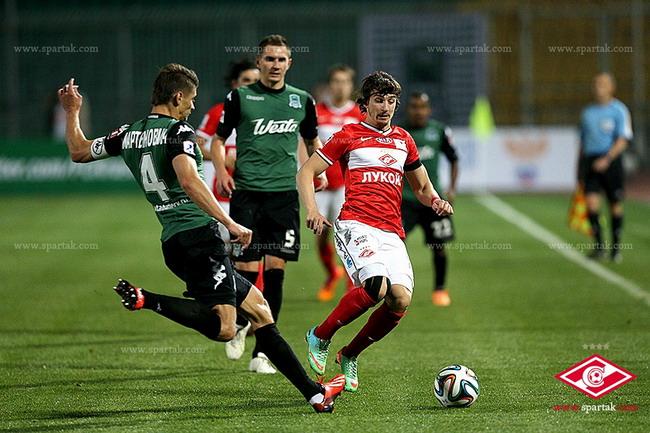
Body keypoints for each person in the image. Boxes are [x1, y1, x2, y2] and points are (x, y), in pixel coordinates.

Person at [57, 65, 344, 413]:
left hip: (176, 241)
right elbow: (190, 181)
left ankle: (315, 394)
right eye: (191, 99)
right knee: (225, 327)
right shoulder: (179, 131)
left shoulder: (129, 133)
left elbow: (79, 150)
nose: (192, 106)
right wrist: (230, 223)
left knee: (259, 310)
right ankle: (148, 299)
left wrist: (72, 111)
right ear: (178, 96)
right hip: (199, 238)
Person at [297, 71, 453, 392]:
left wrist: (436, 200)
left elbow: (422, 187)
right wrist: (312, 210)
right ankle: (320, 336)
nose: (386, 107)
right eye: (379, 100)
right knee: (376, 286)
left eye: (391, 100)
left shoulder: (404, 140)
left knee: (400, 300)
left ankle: (349, 354)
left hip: (391, 231)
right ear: (364, 105)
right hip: (356, 224)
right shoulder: (348, 135)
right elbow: (306, 171)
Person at [212, 34, 326, 374]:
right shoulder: (240, 97)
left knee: (275, 273)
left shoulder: (302, 100)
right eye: (269, 59)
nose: (275, 65)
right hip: (247, 195)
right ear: (259, 62)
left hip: (283, 197)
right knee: (246, 270)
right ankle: (242, 323)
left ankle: (262, 353)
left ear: (290, 63)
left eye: (281, 59)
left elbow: (313, 140)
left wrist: (318, 171)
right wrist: (222, 171)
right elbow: (218, 140)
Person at [195, 59, 260, 360]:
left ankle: (245, 319)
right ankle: (236, 317)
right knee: (228, 260)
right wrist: (225, 159)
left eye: (255, 81)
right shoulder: (218, 112)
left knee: (253, 258)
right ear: (235, 84)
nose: (252, 86)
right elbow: (197, 145)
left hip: (255, 196)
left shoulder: (266, 114)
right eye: (246, 81)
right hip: (221, 200)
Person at [401, 92, 458, 307]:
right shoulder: (399, 132)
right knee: (394, 244)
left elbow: (454, 159)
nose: (418, 111)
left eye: (422, 107)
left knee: (439, 246)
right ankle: (395, 288)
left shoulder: (439, 131)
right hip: (404, 201)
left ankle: (440, 289)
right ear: (408, 109)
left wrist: (452, 189)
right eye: (414, 107)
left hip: (433, 201)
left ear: (429, 109)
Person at [314, 64, 364, 301]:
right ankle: (331, 273)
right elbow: (306, 145)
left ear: (351, 86)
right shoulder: (317, 112)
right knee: (320, 235)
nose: (340, 86)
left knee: (345, 236)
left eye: (345, 81)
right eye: (336, 81)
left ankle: (350, 286)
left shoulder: (358, 114)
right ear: (330, 84)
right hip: (321, 185)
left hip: (347, 186)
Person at [578, 72, 632, 262]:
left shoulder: (619, 110)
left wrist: (607, 159)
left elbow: (623, 139)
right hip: (591, 161)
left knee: (614, 203)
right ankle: (599, 246)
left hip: (611, 161)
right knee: (591, 203)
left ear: (611, 87)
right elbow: (582, 141)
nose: (598, 87)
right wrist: (579, 167)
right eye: (595, 84)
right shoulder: (588, 112)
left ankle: (616, 249)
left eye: (602, 84)